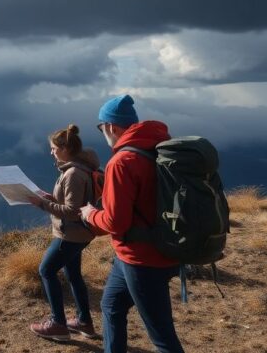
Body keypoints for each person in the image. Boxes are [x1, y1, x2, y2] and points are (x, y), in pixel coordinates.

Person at [79, 94, 185, 353]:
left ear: (111, 127)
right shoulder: (159, 146)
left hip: (142, 259)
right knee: (111, 306)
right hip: (164, 247)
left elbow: (115, 221)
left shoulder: (122, 162)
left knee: (162, 338)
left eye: (101, 127)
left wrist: (89, 214)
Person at [25, 124, 100, 341]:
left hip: (70, 234)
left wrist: (42, 204)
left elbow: (72, 211)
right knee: (73, 275)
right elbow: (71, 203)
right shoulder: (77, 168)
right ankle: (84, 322)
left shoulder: (73, 173)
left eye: (53, 148)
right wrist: (49, 199)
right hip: (79, 234)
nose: (51, 152)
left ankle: (58, 324)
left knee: (46, 270)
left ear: (65, 148)